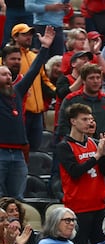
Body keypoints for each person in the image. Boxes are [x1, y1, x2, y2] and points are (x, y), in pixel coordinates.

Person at [0, 25, 55, 200]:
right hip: (0, 152)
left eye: (9, 75)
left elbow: (32, 72)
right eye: (3, 74)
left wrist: (45, 48)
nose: (8, 77)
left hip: (18, 155)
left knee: (17, 199)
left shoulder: (16, 91)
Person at [57, 103, 105, 244]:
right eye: (84, 119)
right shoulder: (64, 146)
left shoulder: (95, 143)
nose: (89, 122)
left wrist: (104, 156)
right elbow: (75, 172)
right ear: (73, 121)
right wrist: (97, 156)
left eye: (91, 119)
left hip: (98, 206)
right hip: (78, 208)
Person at [11, 23, 56, 151]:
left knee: (36, 149)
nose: (28, 37)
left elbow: (45, 81)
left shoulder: (34, 57)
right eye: (24, 34)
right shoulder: (9, 58)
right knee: (20, 148)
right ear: (15, 37)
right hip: (22, 110)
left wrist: (58, 92)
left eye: (30, 34)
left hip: (37, 111)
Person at [57, 63, 105, 142]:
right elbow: (63, 127)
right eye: (91, 78)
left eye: (98, 78)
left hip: (103, 147)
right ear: (83, 80)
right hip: (77, 147)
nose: (95, 81)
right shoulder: (71, 100)